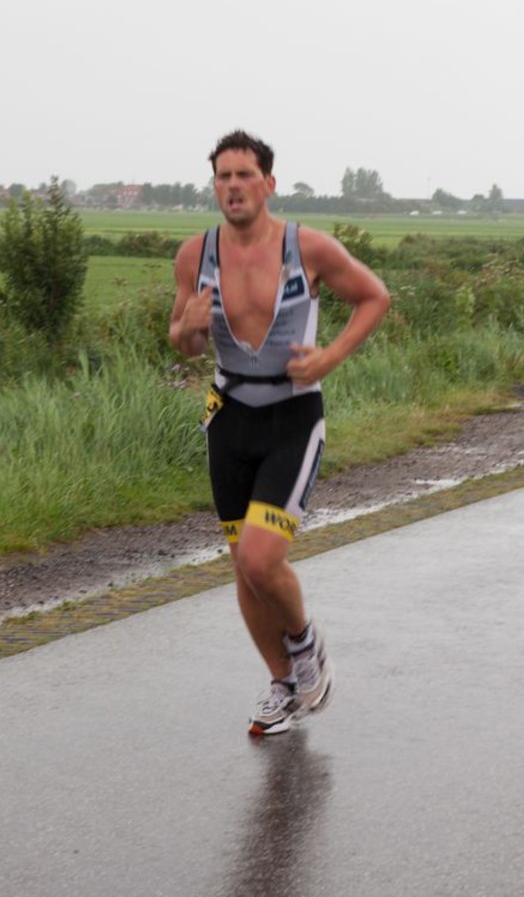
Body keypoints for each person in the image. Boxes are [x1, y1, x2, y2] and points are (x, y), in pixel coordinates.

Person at [169, 130, 391, 735]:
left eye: (244, 175)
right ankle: (283, 685)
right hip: (229, 416)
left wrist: (329, 358)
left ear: (268, 183)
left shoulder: (307, 247)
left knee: (262, 558)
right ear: (214, 186)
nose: (233, 186)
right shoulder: (195, 255)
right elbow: (185, 341)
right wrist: (186, 330)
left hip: (292, 416)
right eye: (223, 176)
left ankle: (304, 642)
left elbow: (374, 297)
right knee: (244, 567)